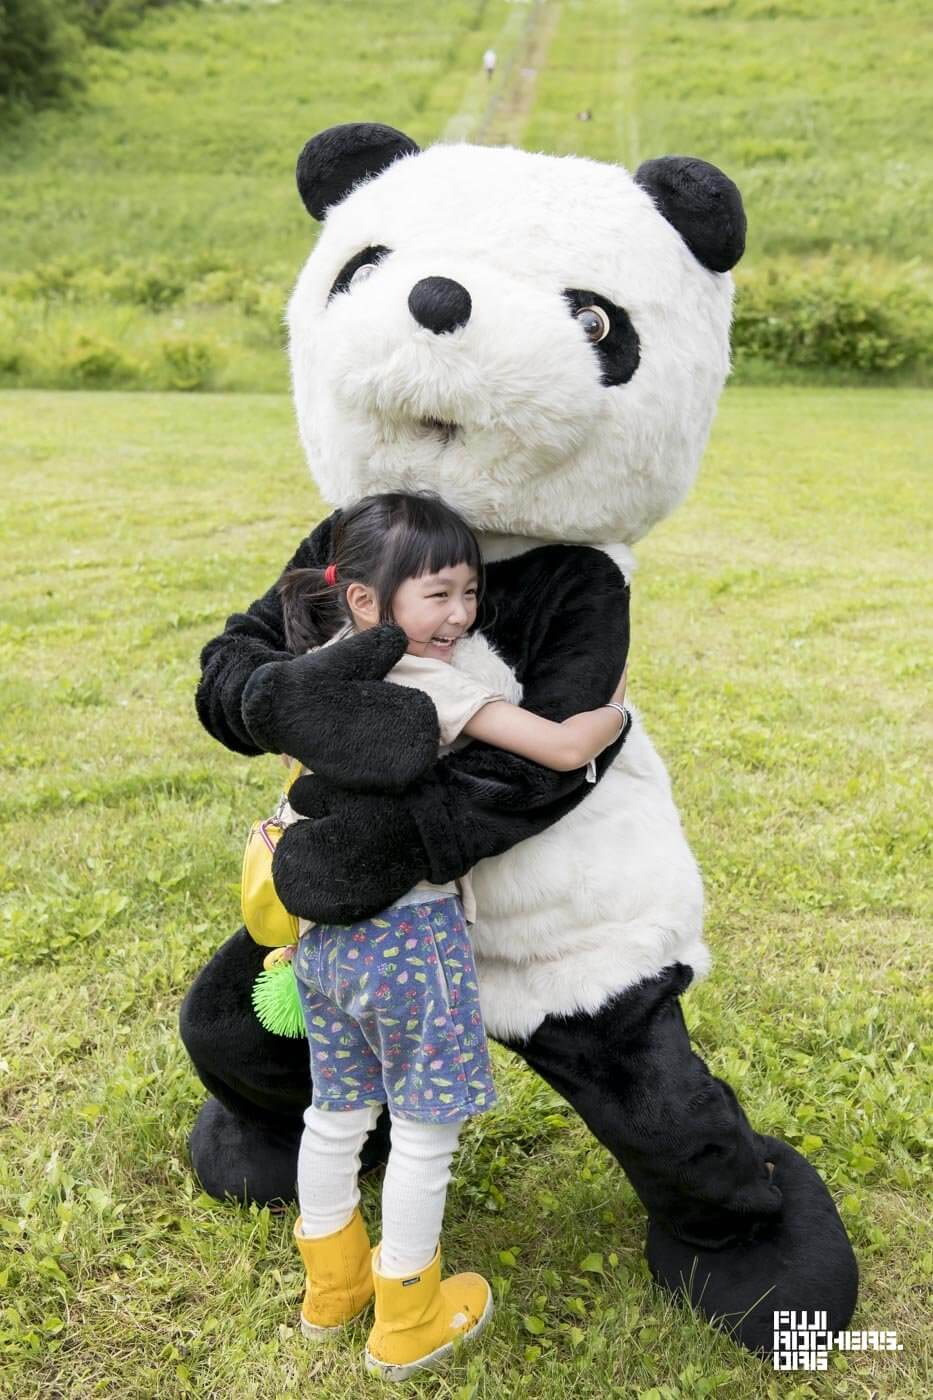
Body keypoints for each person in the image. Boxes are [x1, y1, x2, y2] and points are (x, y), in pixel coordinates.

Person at [277, 491, 627, 1381]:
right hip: (410, 940)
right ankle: (408, 1315)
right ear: (366, 601)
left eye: (469, 592)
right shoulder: (433, 682)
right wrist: (614, 712)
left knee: (336, 1113)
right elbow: (550, 745)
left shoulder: (317, 674)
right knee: (426, 1131)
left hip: (323, 942)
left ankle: (331, 1288)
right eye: (437, 594)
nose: (460, 615)